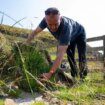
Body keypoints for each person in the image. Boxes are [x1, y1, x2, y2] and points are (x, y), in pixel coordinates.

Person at [25, 7, 88, 80]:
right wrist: (25, 44)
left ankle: (83, 78)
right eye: (50, 24)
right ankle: (74, 77)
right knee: (70, 56)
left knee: (82, 56)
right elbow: (34, 32)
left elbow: (60, 55)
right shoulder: (45, 21)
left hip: (79, 33)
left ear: (60, 19)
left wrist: (50, 73)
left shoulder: (66, 27)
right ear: (46, 20)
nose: (53, 27)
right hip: (69, 37)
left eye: (56, 24)